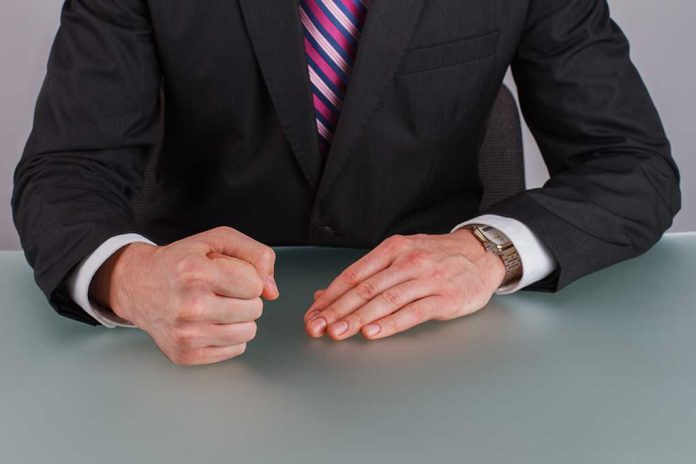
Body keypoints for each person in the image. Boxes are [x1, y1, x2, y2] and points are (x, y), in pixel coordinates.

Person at [12, 0, 680, 365]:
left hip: (442, 349)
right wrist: (130, 280)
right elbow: (66, 168)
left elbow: (632, 162)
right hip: (195, 338)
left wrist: (490, 253)